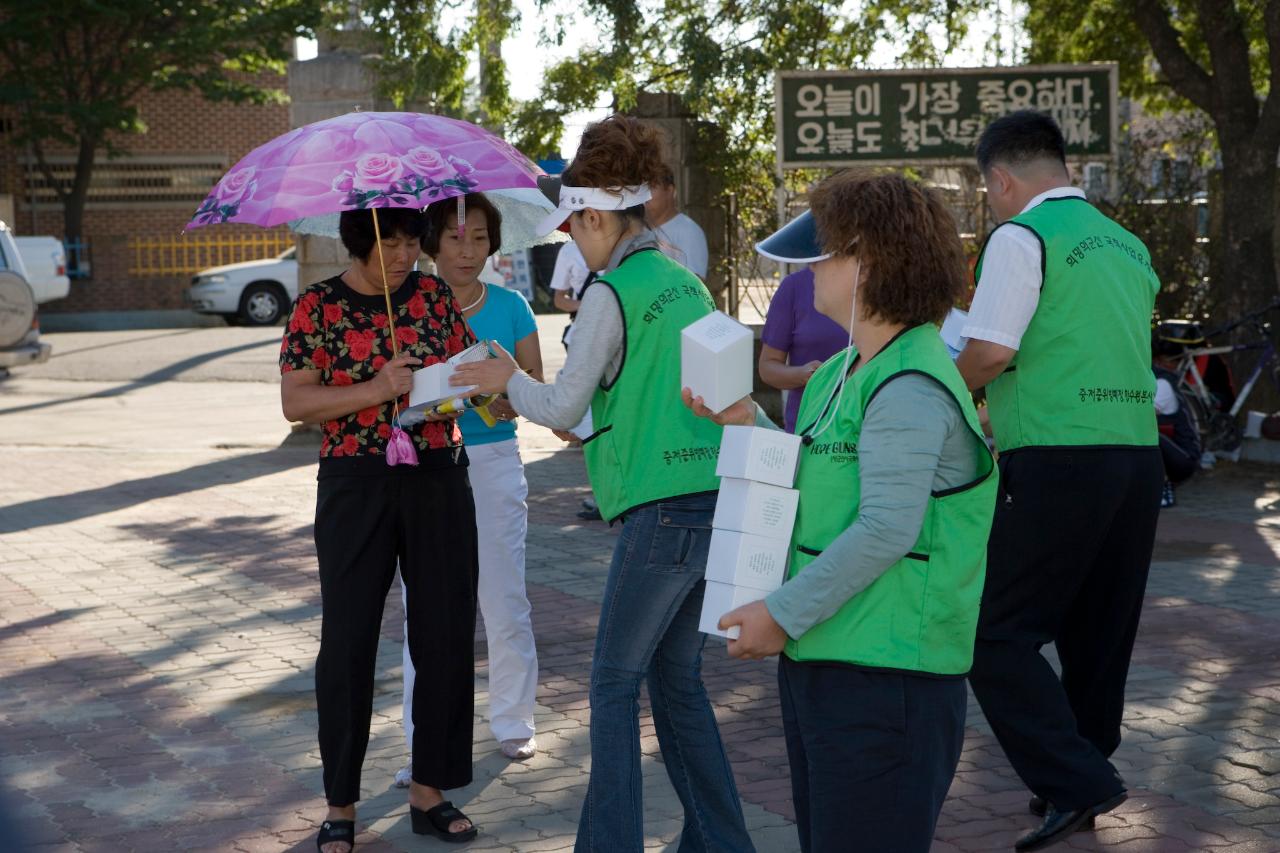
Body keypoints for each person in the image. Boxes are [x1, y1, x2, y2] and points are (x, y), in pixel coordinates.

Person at [452, 114, 755, 853]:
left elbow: (559, 403)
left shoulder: (610, 292)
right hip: (712, 503)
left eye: (572, 229)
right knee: (676, 683)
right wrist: (580, 419)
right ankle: (723, 842)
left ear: (593, 213)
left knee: (614, 685)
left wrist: (505, 377)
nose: (571, 243)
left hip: (656, 515)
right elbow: (651, 394)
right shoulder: (684, 281)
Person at [685, 172, 997, 853]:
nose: (808, 272)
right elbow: (813, 472)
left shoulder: (909, 383)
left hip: (887, 680)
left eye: (824, 255)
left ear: (871, 263)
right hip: (831, 656)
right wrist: (742, 419)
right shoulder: (843, 369)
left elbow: (889, 526)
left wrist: (781, 612)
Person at [955, 110, 1162, 852]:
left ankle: (1077, 780)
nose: (992, 205)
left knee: (992, 633)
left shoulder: (1020, 237)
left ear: (1002, 179)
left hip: (1056, 454)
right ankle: (1075, 774)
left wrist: (942, 390)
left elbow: (988, 353)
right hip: (1138, 457)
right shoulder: (1128, 245)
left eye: (989, 192)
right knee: (1098, 630)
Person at [280, 208, 480, 851]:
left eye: (411, 244)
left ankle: (432, 791)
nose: (403, 258)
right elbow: (297, 401)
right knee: (347, 643)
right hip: (353, 481)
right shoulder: (318, 305)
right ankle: (340, 802)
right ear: (359, 244)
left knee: (446, 633)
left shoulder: (433, 296)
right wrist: (376, 387)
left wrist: (467, 385)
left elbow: (459, 378)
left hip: (438, 474)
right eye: (388, 245)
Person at [388, 192, 543, 782]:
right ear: (430, 242)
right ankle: (419, 740)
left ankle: (513, 722)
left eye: (478, 238)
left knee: (503, 595)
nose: (467, 250)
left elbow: (530, 394)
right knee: (422, 608)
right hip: (425, 464)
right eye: (454, 238)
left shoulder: (512, 307)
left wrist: (505, 397)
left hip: (493, 461)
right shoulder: (403, 307)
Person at [759, 266, 850, 433]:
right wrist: (804, 375)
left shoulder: (884, 283)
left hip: (873, 424)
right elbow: (767, 367)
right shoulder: (796, 286)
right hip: (809, 431)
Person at [1153, 337, 1200, 507]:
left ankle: (1165, 491)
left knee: (1149, 435)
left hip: (1184, 460)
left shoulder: (1163, 383)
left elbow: (1141, 414)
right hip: (1172, 454)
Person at [645, 164, 709, 278]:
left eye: (651, 188)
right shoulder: (637, 229)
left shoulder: (689, 231)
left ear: (670, 190)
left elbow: (693, 284)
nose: (645, 196)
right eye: (641, 189)